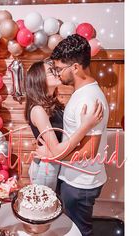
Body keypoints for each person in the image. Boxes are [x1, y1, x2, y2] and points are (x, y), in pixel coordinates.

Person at [37, 34, 109, 236]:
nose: (58, 74)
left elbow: (90, 150)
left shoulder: (90, 98)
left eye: (60, 69)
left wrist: (55, 155)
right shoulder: (81, 93)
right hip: (73, 179)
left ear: (75, 67)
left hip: (81, 184)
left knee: (79, 231)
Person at [25, 59, 103, 192]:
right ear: (39, 79)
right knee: (46, 208)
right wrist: (86, 126)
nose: (56, 73)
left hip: (54, 163)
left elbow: (59, 145)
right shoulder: (38, 110)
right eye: (50, 71)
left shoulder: (53, 105)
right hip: (46, 168)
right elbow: (56, 150)